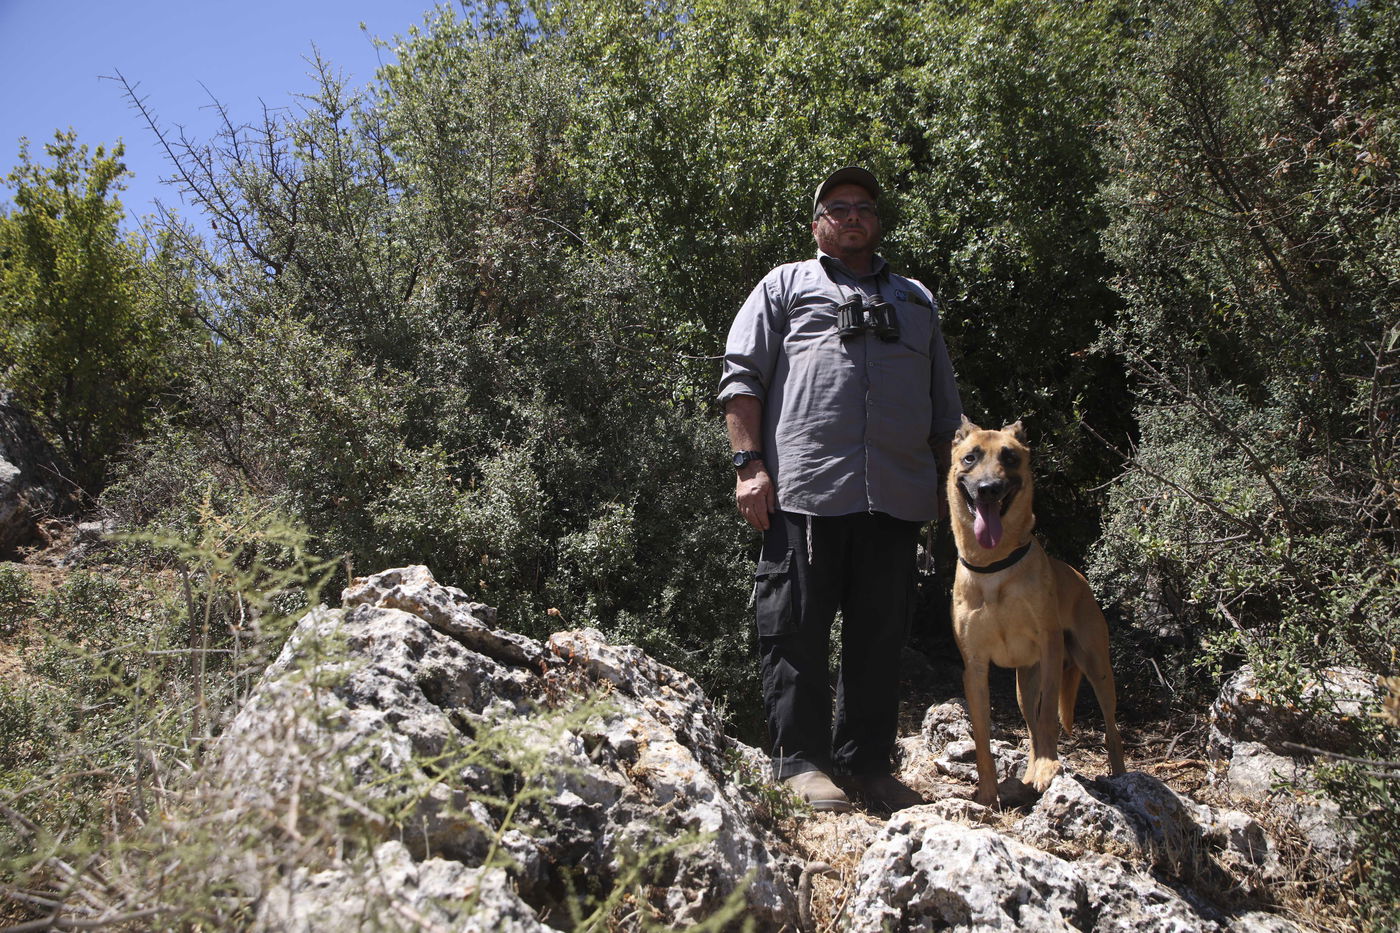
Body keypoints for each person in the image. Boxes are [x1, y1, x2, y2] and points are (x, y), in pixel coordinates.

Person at [719, 166, 962, 812]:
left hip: (897, 497)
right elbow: (741, 379)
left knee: (881, 637)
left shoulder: (917, 301)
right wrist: (749, 466)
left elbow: (945, 411)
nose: (852, 215)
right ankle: (800, 762)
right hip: (803, 494)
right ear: (817, 224)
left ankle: (869, 764)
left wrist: (947, 485)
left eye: (863, 207)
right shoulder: (784, 286)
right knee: (795, 630)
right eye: (838, 207)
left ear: (877, 222)